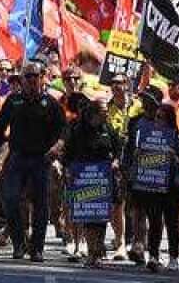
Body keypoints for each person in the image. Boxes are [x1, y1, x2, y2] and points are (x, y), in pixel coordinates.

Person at [0, 61, 65, 262]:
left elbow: (63, 131)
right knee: (10, 199)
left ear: (42, 78)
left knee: (41, 205)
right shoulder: (13, 101)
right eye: (28, 77)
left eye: (35, 76)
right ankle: (19, 243)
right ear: (22, 80)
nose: (32, 80)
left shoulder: (50, 103)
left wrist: (56, 148)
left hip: (41, 159)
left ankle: (37, 248)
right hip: (17, 157)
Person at [124, 101, 179, 272]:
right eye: (156, 117)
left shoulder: (177, 137)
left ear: (169, 119)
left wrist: (173, 157)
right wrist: (138, 154)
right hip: (153, 185)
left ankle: (173, 257)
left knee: (171, 223)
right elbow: (136, 155)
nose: (157, 120)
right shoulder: (147, 135)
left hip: (171, 188)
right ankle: (153, 255)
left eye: (161, 117)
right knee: (154, 221)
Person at [62, 96, 123, 268]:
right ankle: (91, 252)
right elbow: (68, 153)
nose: (107, 115)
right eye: (104, 112)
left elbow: (118, 149)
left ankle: (98, 251)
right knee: (88, 216)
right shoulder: (79, 129)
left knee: (101, 216)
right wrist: (68, 170)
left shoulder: (107, 128)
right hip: (84, 178)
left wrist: (116, 162)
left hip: (103, 177)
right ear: (95, 113)